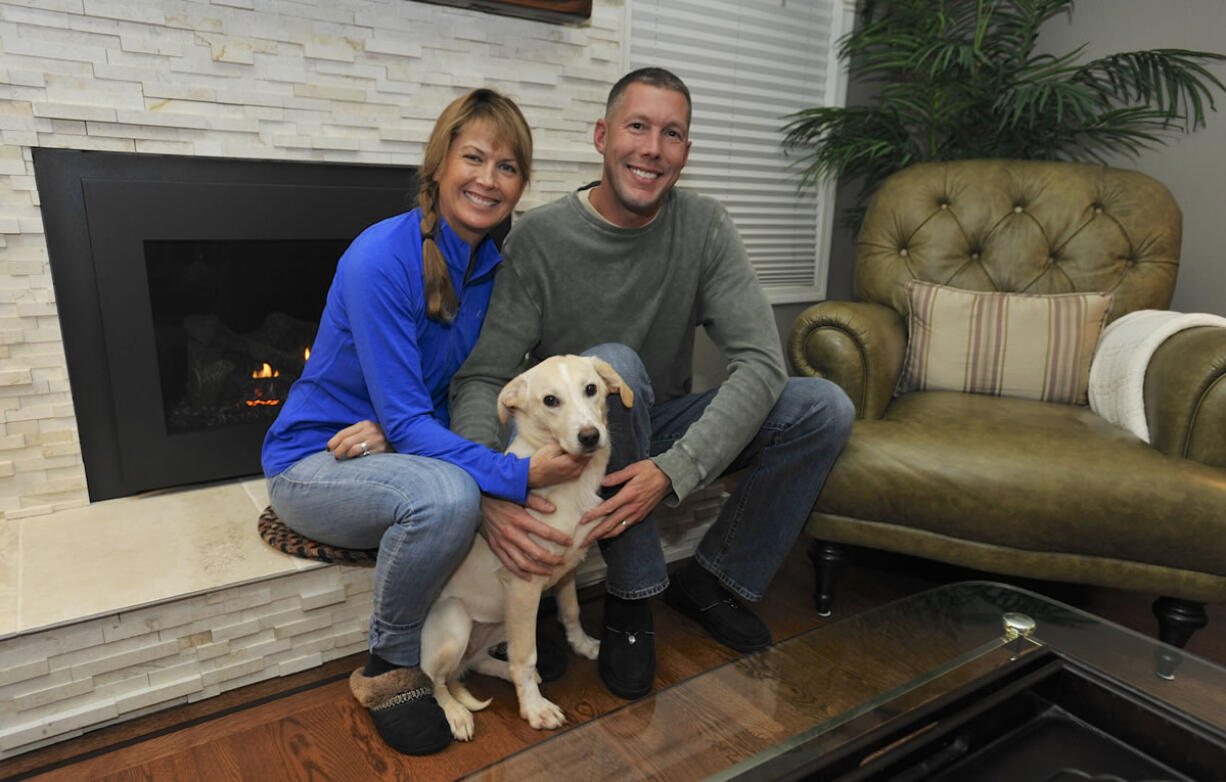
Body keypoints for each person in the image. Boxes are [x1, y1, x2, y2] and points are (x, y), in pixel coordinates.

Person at [448, 67, 856, 701]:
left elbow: (762, 362)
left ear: (685, 154)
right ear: (602, 136)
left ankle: (712, 580)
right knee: (616, 362)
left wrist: (676, 467)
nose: (652, 148)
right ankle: (632, 602)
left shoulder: (705, 226)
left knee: (823, 407)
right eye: (637, 127)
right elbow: (482, 376)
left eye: (672, 134)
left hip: (659, 422)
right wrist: (489, 486)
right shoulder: (540, 237)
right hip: (569, 435)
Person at [261, 88, 586, 756]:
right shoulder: (380, 257)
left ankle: (494, 635)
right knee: (450, 493)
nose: (487, 179)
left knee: (509, 424)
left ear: (521, 184)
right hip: (312, 463)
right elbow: (414, 416)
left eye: (507, 167)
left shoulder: (492, 268)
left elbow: (463, 388)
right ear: (438, 165)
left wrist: (394, 425)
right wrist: (511, 475)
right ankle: (390, 666)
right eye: (473, 158)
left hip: (385, 446)